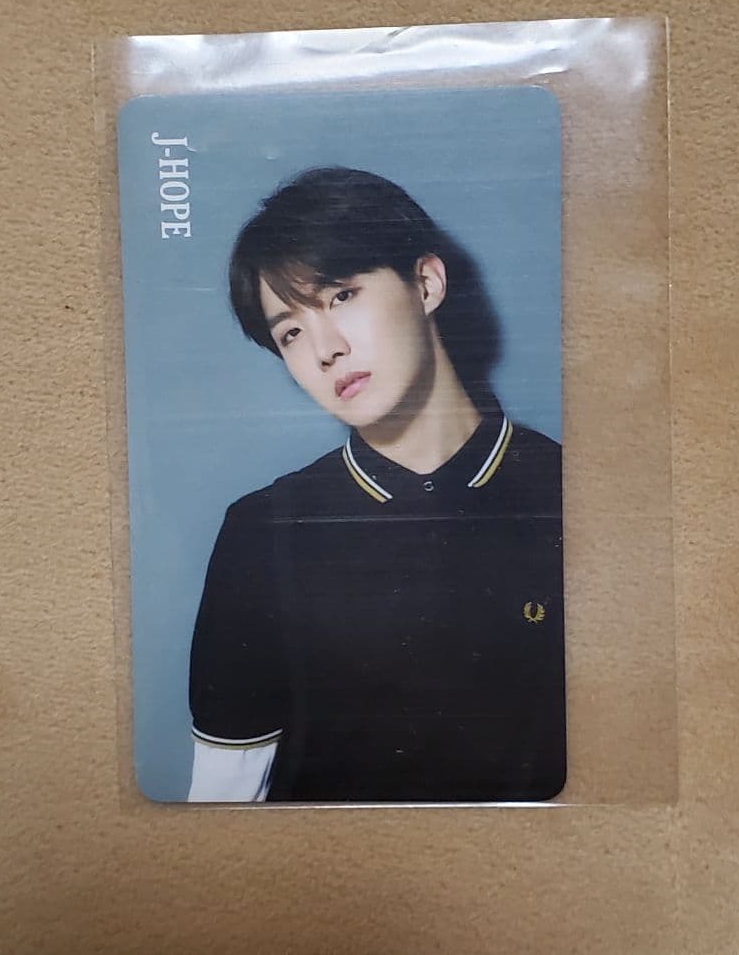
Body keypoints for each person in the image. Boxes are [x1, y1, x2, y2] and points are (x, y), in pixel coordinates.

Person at [187, 167, 565, 803]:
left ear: (426, 283)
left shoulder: (575, 496)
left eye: (341, 296)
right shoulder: (263, 532)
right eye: (290, 332)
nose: (324, 349)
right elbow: (221, 804)